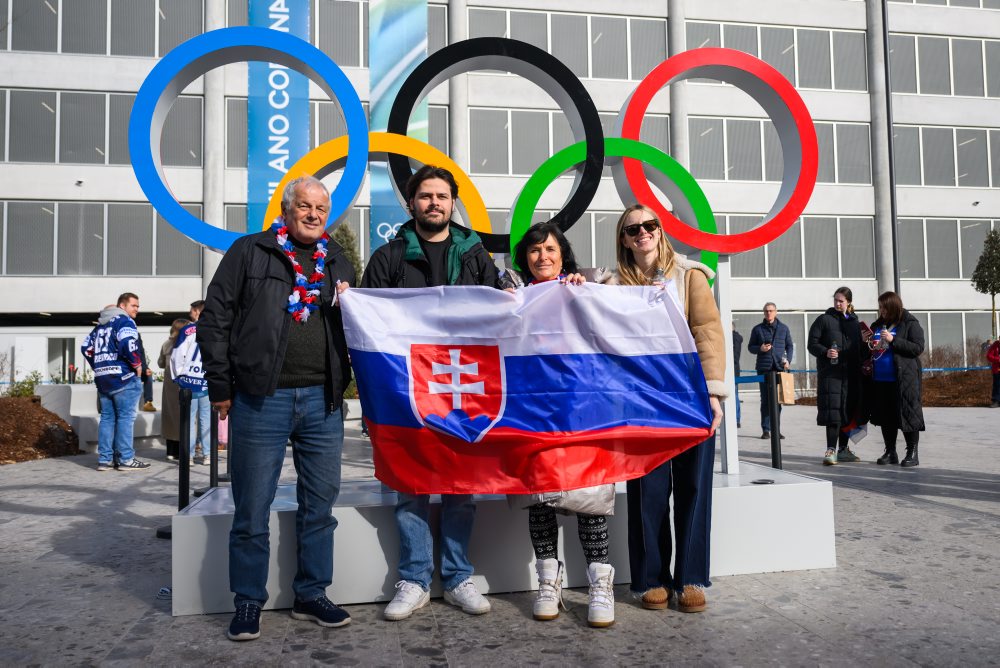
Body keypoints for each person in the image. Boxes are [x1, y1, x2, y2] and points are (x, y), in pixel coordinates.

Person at [198, 175, 355, 641]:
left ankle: (311, 593)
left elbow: (359, 323)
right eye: (304, 207)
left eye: (321, 210)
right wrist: (220, 386)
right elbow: (215, 321)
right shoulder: (251, 251)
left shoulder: (338, 260)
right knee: (252, 508)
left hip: (323, 401)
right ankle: (248, 601)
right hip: (259, 398)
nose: (313, 215)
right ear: (286, 210)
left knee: (320, 506)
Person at [360, 164, 500, 621]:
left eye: (442, 196)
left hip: (463, 389)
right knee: (411, 485)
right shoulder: (388, 257)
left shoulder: (475, 253)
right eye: (426, 197)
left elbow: (502, 311)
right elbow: (368, 325)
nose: (434, 203)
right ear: (412, 204)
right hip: (408, 391)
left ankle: (459, 577)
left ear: (452, 202)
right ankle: (416, 579)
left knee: (462, 486)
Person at [612, 204, 726, 614]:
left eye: (650, 225)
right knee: (648, 492)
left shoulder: (690, 275)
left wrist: (713, 394)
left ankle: (692, 577)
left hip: (689, 396)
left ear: (660, 231)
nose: (642, 232)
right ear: (624, 239)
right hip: (641, 402)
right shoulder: (615, 284)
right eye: (633, 229)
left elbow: (708, 332)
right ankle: (649, 578)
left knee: (694, 489)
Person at [503, 221, 616, 628]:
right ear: (524, 258)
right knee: (540, 499)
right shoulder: (510, 294)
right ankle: (548, 583)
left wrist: (585, 290)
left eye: (550, 249)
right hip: (533, 411)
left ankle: (600, 586)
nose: (543, 257)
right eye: (534, 251)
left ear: (563, 253)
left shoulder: (588, 285)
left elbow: (624, 311)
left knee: (589, 499)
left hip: (582, 410)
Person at [80, 294, 152, 471]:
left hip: (103, 378)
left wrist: (99, 365)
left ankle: (105, 460)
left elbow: (86, 348)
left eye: (138, 306)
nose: (137, 309)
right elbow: (128, 343)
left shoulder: (100, 326)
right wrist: (137, 364)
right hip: (124, 378)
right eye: (134, 305)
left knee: (107, 418)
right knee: (125, 419)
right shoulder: (124, 321)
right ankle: (126, 459)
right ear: (122, 306)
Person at [807, 287, 868, 466]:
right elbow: (812, 344)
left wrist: (866, 343)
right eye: (835, 300)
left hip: (851, 376)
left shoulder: (855, 324)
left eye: (841, 301)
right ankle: (830, 450)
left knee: (847, 413)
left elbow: (860, 352)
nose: (837, 304)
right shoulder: (824, 320)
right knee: (833, 414)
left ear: (849, 302)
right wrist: (826, 352)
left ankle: (843, 450)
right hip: (831, 375)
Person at [869, 291, 925, 467]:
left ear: (892, 307)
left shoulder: (909, 323)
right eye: (880, 307)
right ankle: (890, 451)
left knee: (908, 414)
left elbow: (917, 347)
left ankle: (912, 453)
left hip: (903, 378)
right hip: (881, 378)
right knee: (886, 417)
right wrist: (868, 343)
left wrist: (893, 340)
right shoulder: (878, 325)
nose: (881, 311)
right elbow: (874, 349)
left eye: (884, 307)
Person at [747, 302, 793, 439]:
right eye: (766, 311)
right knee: (766, 400)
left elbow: (790, 346)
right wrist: (760, 349)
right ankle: (766, 429)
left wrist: (788, 360)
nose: (769, 313)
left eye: (771, 311)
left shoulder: (784, 329)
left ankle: (776, 429)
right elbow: (750, 347)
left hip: (779, 368)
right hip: (764, 368)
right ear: (763, 312)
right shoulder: (757, 329)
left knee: (778, 400)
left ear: (776, 312)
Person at [171, 320, 211, 466]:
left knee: (189, 420)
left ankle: (189, 456)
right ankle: (208, 455)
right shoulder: (215, 327)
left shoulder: (188, 330)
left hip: (189, 381)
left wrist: (178, 377)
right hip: (206, 379)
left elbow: (177, 354)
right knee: (206, 420)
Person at [158, 318, 190, 461]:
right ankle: (184, 450)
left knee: (169, 417)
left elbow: (160, 363)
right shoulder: (187, 344)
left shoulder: (166, 344)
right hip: (183, 384)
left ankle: (170, 451)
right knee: (185, 416)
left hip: (168, 386)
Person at [732, 322, 744, 428]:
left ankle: (736, 419)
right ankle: (736, 418)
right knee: (734, 394)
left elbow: (735, 356)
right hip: (733, 370)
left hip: (732, 371)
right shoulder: (735, 337)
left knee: (734, 395)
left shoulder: (735, 338)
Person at [987, 338, 1000, 408]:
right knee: (997, 385)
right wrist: (998, 359)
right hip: (997, 369)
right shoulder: (995, 345)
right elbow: (989, 356)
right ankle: (996, 401)